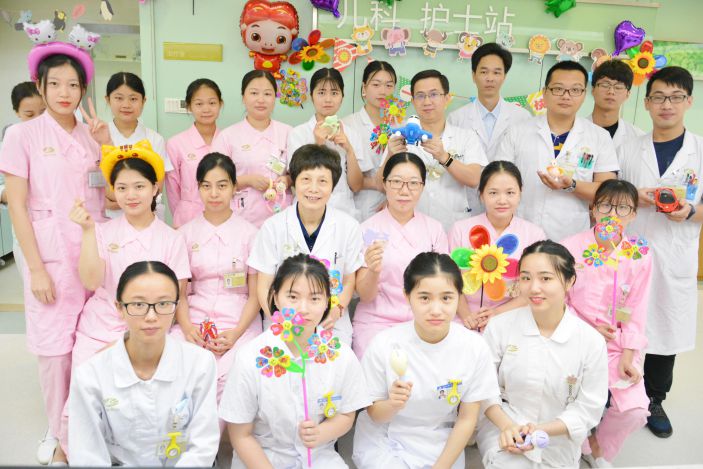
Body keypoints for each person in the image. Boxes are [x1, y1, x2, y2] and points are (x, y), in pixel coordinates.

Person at [0, 24, 110, 464]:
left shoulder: (90, 134)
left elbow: (111, 192)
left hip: (90, 249)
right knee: (54, 350)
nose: (65, 93)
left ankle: (84, 421)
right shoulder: (21, 135)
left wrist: (106, 146)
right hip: (48, 254)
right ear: (40, 86)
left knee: (89, 341)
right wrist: (36, 269)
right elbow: (16, 205)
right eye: (56, 84)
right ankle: (56, 426)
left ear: (83, 90)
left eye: (73, 85)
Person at [220, 254, 369, 468]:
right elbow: (240, 435)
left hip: (319, 458)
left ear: (328, 301)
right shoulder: (250, 357)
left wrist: (322, 432)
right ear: (275, 297)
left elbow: (347, 413)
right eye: (293, 297)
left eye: (315, 298)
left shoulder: (341, 355)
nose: (303, 309)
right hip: (263, 459)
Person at [353, 252, 499, 469]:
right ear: (407, 296)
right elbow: (374, 414)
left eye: (446, 298)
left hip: (440, 438)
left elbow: (467, 419)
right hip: (384, 437)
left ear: (459, 297)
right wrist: (392, 404)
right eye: (424, 298)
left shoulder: (474, 347)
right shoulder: (384, 344)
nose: (436, 310)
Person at [617, 66, 701, 438]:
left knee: (665, 328)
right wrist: (634, 196)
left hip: (675, 253)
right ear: (647, 102)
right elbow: (610, 195)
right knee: (624, 321)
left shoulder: (700, 150)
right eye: (659, 97)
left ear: (689, 101)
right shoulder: (628, 147)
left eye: (676, 97)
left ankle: (654, 398)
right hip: (631, 251)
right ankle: (616, 392)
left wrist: (692, 211)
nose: (667, 104)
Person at [68, 261, 219, 466]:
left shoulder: (200, 363)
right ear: (120, 308)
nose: (151, 316)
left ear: (176, 307)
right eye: (138, 305)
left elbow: (203, 444)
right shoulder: (90, 375)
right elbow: (87, 454)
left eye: (163, 304)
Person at [477, 240, 608, 468]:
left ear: (569, 281)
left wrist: (540, 430)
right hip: (504, 428)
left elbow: (589, 407)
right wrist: (509, 427)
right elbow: (484, 388)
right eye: (526, 278)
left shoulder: (591, 342)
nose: (534, 288)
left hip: (558, 437)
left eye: (545, 278)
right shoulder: (499, 327)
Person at [69, 142, 191, 367]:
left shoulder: (173, 239)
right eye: (122, 188)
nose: (131, 195)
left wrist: (127, 342)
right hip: (101, 326)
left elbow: (174, 298)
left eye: (139, 186)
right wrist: (87, 231)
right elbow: (91, 282)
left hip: (152, 326)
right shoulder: (101, 231)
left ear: (154, 188)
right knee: (87, 377)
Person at [561, 179, 651, 467]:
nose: (613, 214)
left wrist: (628, 353)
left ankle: (599, 445)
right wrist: (586, 329)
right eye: (606, 206)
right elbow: (559, 301)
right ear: (593, 209)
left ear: (633, 214)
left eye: (622, 208)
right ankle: (574, 443)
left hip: (618, 344)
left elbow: (637, 308)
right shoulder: (569, 247)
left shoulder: (639, 253)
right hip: (573, 336)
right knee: (567, 396)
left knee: (634, 410)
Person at [248, 144, 363, 345]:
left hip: (331, 323)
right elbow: (264, 285)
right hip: (283, 323)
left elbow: (348, 280)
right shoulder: (273, 227)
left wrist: (336, 311)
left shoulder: (349, 227)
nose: (314, 189)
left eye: (322, 181)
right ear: (294, 182)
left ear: (333, 186)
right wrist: (280, 320)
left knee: (334, 363)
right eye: (306, 179)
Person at [495, 61, 619, 240]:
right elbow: (497, 180)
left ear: (584, 94)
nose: (566, 96)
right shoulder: (517, 131)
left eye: (575, 90)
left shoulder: (599, 137)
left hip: (572, 234)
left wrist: (571, 185)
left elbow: (608, 191)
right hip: (520, 229)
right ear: (544, 93)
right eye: (558, 89)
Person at [173, 153, 261, 401]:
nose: (214, 194)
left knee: (235, 372)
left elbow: (255, 296)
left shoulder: (251, 234)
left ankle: (224, 426)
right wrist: (188, 329)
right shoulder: (184, 235)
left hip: (239, 320)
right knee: (179, 365)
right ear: (198, 188)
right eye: (206, 186)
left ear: (234, 187)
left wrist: (236, 333)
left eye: (222, 186)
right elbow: (180, 294)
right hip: (194, 317)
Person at [353, 152, 448, 358]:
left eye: (413, 183)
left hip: (424, 320)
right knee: (377, 362)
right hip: (377, 321)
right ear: (384, 183)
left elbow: (444, 286)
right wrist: (373, 270)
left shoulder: (434, 229)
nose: (404, 191)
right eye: (396, 182)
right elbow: (366, 296)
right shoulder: (367, 230)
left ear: (422, 186)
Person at [448, 161, 546, 331]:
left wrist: (497, 313)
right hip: (462, 316)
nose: (502, 200)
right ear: (481, 194)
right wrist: (466, 315)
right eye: (493, 193)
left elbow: (535, 288)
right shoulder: (460, 229)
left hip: (513, 315)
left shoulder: (534, 235)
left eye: (510, 193)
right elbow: (449, 279)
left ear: (520, 193)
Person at [384, 69, 486, 230]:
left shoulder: (466, 137)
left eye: (433, 94)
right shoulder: (400, 136)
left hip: (452, 224)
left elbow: (474, 179)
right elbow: (380, 184)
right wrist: (390, 155)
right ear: (413, 101)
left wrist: (445, 157)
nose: (427, 101)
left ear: (447, 98)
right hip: (410, 224)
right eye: (420, 96)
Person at [212, 70, 292, 228]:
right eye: (254, 93)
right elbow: (214, 180)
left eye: (267, 94)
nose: (261, 100)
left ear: (275, 98)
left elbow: (302, 173)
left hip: (282, 216)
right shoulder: (227, 136)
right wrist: (247, 180)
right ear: (243, 97)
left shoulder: (288, 133)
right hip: (242, 218)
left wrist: (288, 180)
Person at [288, 67, 367, 220]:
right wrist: (318, 144)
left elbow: (357, 186)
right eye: (321, 92)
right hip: (307, 213)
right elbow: (296, 180)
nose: (328, 99)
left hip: (344, 212)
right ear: (311, 96)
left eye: (334, 93)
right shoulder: (298, 133)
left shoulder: (352, 134)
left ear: (342, 97)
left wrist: (349, 150)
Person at [104, 72, 172, 219]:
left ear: (143, 101)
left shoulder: (155, 139)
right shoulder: (98, 136)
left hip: (147, 217)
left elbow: (157, 188)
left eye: (133, 98)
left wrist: (117, 202)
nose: (126, 105)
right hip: (108, 218)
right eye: (119, 98)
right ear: (108, 99)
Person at [448, 43, 531, 161]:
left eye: (496, 72)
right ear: (473, 76)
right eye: (484, 72)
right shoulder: (456, 119)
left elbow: (526, 160)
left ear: (504, 77)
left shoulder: (522, 118)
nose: (490, 78)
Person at [342, 60, 398, 222]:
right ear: (364, 88)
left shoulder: (399, 125)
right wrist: (376, 183)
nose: (383, 91)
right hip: (357, 205)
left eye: (389, 85)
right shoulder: (347, 125)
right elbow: (344, 175)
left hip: (394, 204)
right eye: (376, 85)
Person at [0, 81, 46, 279]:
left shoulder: (58, 137)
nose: (37, 120)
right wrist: (6, 195)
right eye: (29, 114)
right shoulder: (13, 138)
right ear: (17, 112)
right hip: (26, 224)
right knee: (35, 282)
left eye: (43, 112)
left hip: (56, 227)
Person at [166, 78, 223, 227]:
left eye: (212, 103)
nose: (206, 109)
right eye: (199, 104)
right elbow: (172, 190)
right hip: (187, 218)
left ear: (220, 104)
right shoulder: (175, 144)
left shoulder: (228, 140)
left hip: (223, 215)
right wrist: (179, 218)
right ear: (189, 106)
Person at [588, 60, 645, 150]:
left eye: (618, 87)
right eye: (605, 85)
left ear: (628, 94)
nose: (611, 92)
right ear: (593, 89)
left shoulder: (638, 138)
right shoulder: (573, 130)